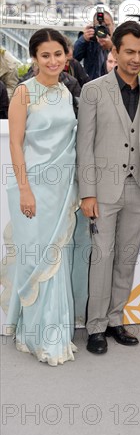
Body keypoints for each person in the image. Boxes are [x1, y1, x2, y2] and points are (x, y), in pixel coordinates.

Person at [2, 29, 88, 365]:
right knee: (39, 261)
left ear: (67, 56)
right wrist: (24, 189)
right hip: (34, 189)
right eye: (45, 55)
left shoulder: (67, 92)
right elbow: (15, 144)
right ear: (34, 58)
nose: (53, 61)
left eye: (58, 54)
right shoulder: (23, 92)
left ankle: (51, 333)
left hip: (63, 188)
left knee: (58, 259)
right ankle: (39, 337)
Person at [77, 20, 140, 355]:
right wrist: (87, 193)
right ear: (115, 50)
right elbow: (84, 145)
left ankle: (115, 320)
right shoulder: (94, 90)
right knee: (102, 257)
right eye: (129, 51)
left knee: (126, 258)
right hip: (102, 191)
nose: (136, 58)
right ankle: (96, 326)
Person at [73, 8, 115, 79]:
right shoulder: (89, 41)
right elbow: (73, 57)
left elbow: (125, 62)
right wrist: (83, 39)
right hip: (92, 82)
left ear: (113, 25)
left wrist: (112, 47)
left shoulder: (119, 40)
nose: (103, 29)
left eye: (106, 26)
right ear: (93, 27)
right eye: (99, 26)